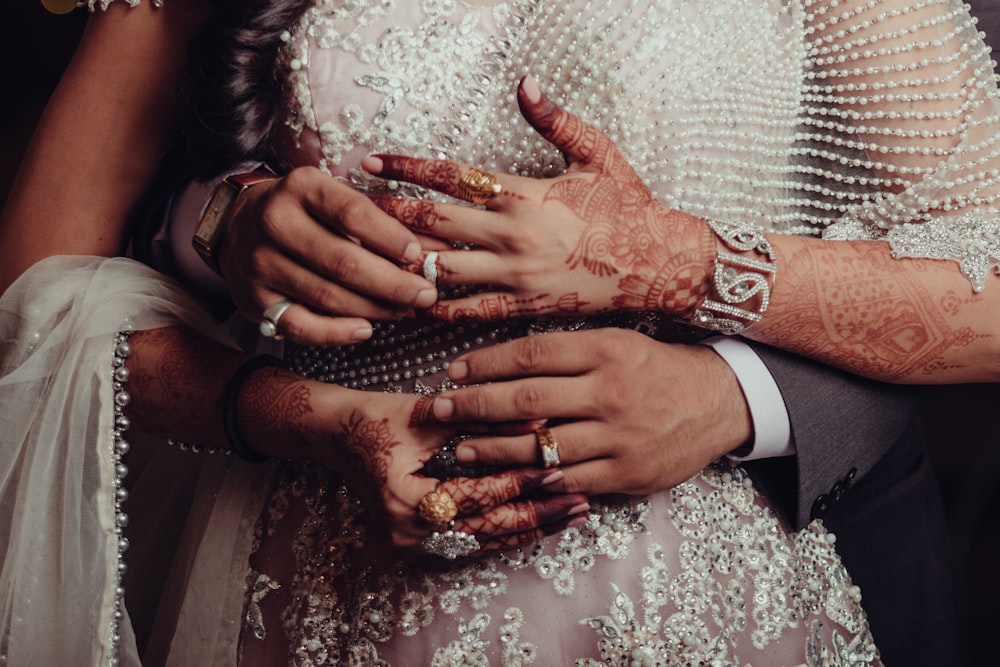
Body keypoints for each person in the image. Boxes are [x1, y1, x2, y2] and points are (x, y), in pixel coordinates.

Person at [1, 0, 993, 664]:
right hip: (320, 578)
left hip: (691, 593)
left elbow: (985, 265)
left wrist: (678, 275)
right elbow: (38, 297)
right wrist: (236, 243)